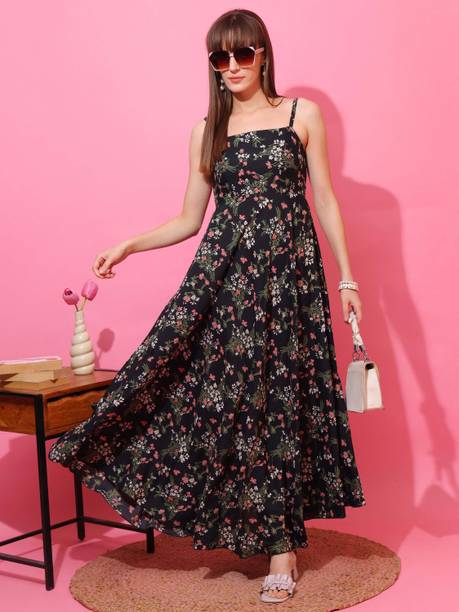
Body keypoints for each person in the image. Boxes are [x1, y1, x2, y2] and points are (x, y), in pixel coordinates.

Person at [48, 8, 366, 604]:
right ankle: (239, 521)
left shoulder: (301, 115)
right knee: (218, 395)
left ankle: (281, 546)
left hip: (290, 286)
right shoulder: (206, 131)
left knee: (282, 403)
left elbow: (324, 198)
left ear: (262, 55)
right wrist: (130, 244)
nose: (232, 66)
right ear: (213, 65)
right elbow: (190, 219)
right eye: (221, 57)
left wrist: (347, 279)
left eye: (243, 54)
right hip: (225, 287)